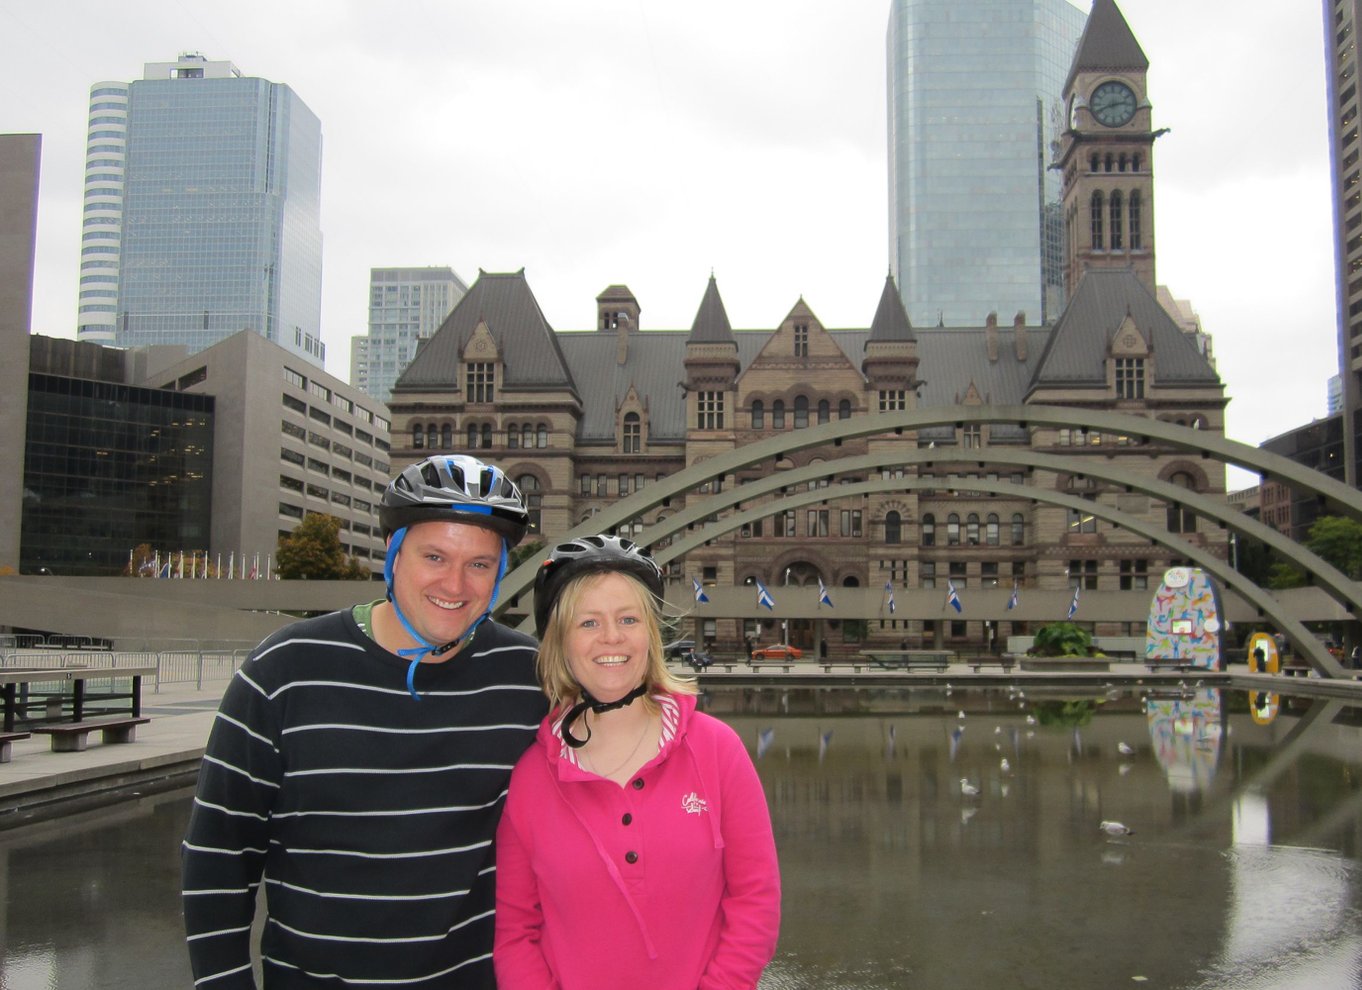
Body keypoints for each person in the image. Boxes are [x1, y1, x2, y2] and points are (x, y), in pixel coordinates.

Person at [181, 454, 549, 988]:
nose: (455, 584)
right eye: (434, 556)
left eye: (479, 564)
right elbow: (220, 853)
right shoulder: (285, 671)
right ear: (394, 554)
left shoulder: (528, 677)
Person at [494, 535, 780, 989]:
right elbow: (515, 933)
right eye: (588, 622)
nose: (612, 637)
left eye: (628, 618)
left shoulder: (716, 750)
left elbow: (755, 902)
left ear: (651, 633)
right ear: (560, 642)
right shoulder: (532, 775)